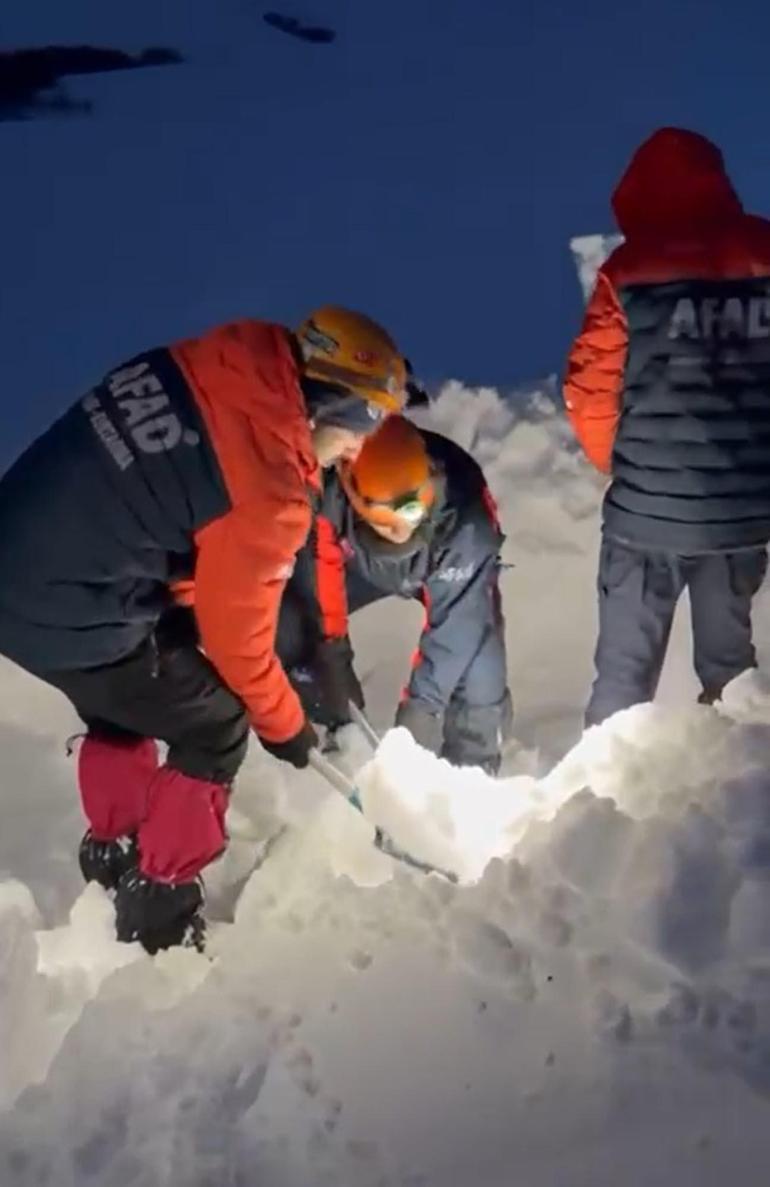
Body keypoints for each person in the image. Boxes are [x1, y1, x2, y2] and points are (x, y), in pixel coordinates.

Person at [0, 307, 408, 952]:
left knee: (127, 697)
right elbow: (240, 651)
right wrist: (289, 730)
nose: (362, 447)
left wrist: (198, 594)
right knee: (213, 725)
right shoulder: (269, 489)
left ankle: (113, 845)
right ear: (335, 406)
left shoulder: (201, 366)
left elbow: (158, 500)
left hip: (22, 565)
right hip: (68, 611)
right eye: (368, 422)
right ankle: (158, 904)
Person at [564, 127, 770, 726]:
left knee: (625, 674)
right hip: (741, 517)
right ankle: (738, 799)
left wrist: (622, 467)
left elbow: (590, 388)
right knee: (732, 672)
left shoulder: (629, 269)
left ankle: (603, 800)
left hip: (645, 519)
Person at [276, 415, 512, 773]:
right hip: (360, 563)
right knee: (290, 626)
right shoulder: (331, 490)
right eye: (389, 521)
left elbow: (455, 630)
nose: (402, 528)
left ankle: (472, 772)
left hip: (442, 571)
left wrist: (418, 718)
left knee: (478, 667)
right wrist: (332, 652)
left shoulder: (466, 521)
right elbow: (321, 571)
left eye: (412, 512)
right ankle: (339, 737)